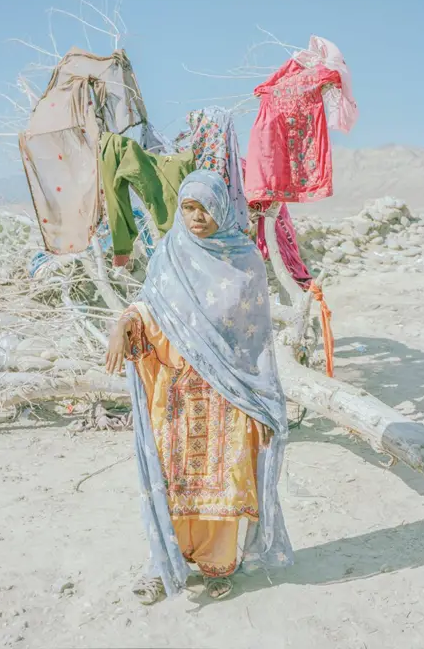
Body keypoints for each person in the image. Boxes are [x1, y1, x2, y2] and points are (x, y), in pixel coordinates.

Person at [106, 170, 293, 604]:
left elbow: (255, 339)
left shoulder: (244, 259)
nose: (195, 217)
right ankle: (162, 564)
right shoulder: (169, 254)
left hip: (227, 396)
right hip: (173, 398)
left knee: (224, 482)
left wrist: (259, 402)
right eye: (188, 207)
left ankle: (217, 564)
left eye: (204, 207)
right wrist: (123, 324)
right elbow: (150, 307)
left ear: (222, 209)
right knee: (171, 482)